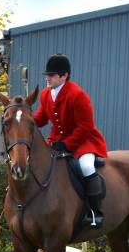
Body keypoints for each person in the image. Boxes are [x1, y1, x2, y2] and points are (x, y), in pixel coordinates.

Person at [33, 54, 108, 228]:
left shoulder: (78, 95)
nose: (47, 78)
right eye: (47, 75)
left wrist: (67, 144)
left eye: (51, 75)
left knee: (86, 166)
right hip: (57, 139)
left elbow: (86, 127)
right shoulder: (45, 95)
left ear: (64, 76)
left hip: (83, 140)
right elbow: (41, 119)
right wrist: (25, 119)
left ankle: (94, 212)